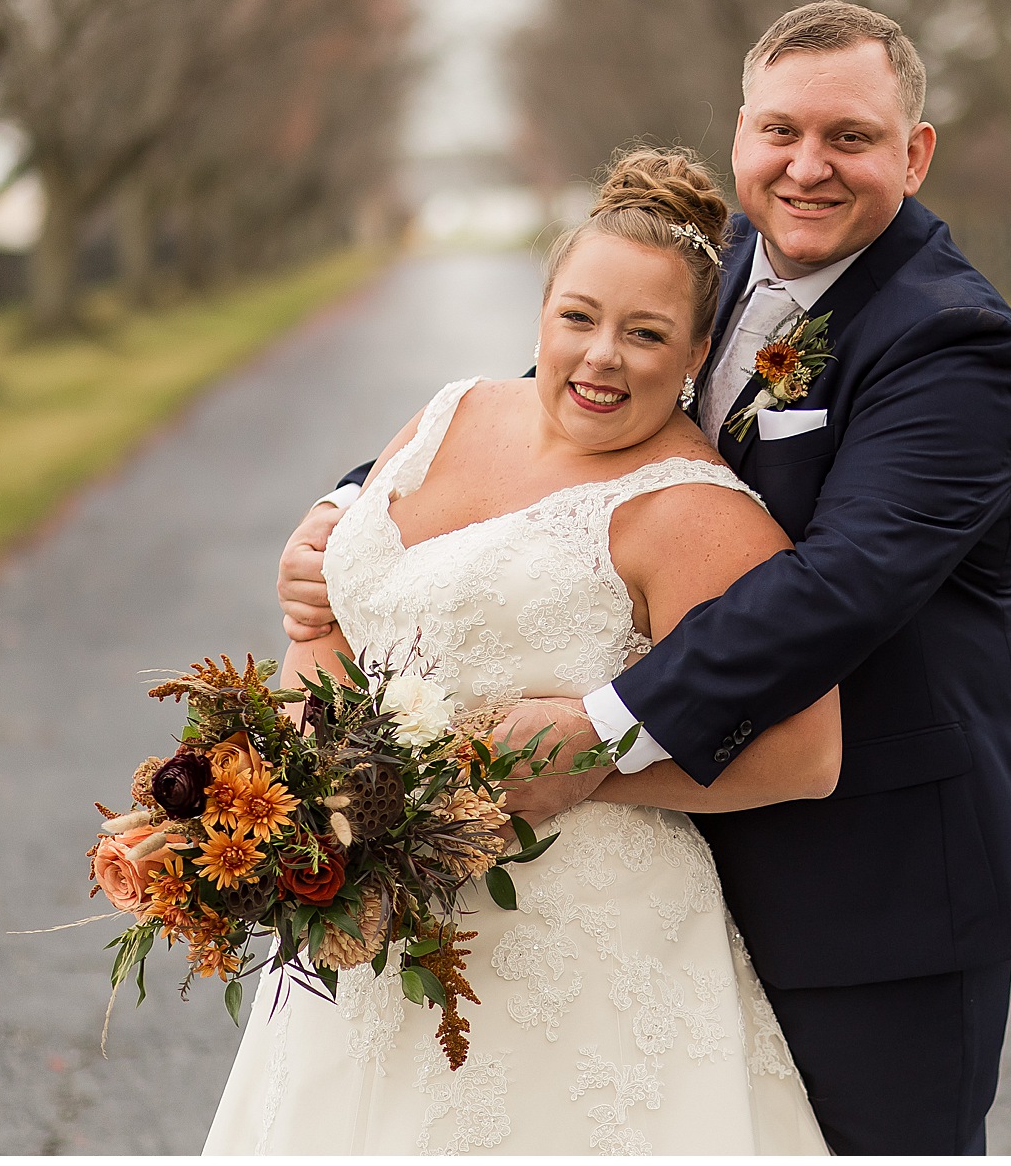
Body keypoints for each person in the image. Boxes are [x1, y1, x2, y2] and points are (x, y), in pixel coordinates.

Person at [279, 0, 1011, 1155]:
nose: (808, 165)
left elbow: (841, 583)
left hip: (870, 885)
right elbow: (560, 406)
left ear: (914, 152)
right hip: (670, 875)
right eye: (780, 130)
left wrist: (598, 727)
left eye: (850, 136)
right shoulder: (710, 265)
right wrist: (351, 507)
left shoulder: (950, 340)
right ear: (741, 133)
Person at [205, 150, 836, 1155]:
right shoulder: (449, 412)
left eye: (646, 333)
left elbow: (807, 754)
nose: (602, 357)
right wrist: (301, 800)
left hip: (568, 945)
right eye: (578, 317)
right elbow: (335, 616)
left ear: (697, 351)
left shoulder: (695, 511)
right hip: (366, 920)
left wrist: (571, 768)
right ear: (541, 313)